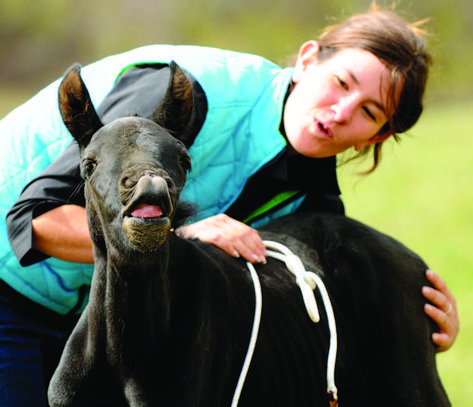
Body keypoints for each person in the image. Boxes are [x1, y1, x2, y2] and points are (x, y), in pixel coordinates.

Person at [0, 5, 459, 406]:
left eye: (369, 111)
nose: (341, 111)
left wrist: (414, 318)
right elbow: (32, 220)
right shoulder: (183, 92)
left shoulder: (311, 193)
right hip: (10, 284)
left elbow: (312, 294)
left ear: (375, 137)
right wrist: (179, 236)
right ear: (306, 60)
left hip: (102, 314)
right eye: (340, 82)